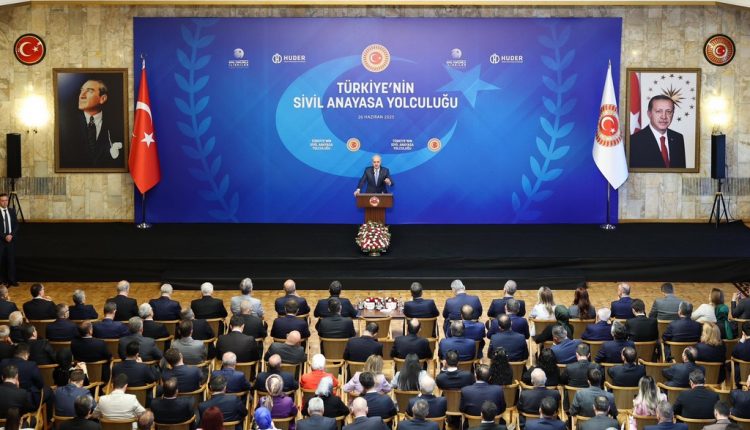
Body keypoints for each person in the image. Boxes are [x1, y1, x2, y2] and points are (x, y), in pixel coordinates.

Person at [58, 78, 124, 168]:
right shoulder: (66, 124)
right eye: (81, 91)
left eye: (89, 91)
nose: (81, 96)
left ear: (102, 98)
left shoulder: (117, 124)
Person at [629, 94, 686, 168]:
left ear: (673, 114)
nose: (664, 117)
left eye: (668, 112)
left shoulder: (678, 138)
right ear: (649, 114)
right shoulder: (634, 141)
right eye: (659, 111)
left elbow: (681, 172)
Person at [0, 194, 18, 287]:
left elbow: (16, 225)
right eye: (2, 200)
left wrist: (11, 235)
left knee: (11, 260)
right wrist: (4, 236)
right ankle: (2, 281)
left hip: (11, 240)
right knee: (1, 261)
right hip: (1, 240)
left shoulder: (11, 211)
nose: (5, 202)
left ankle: (12, 280)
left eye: (6, 200)